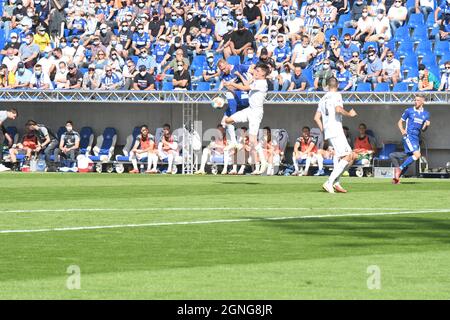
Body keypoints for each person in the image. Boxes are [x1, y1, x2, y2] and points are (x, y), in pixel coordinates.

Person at [223, 63, 270, 175]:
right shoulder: (256, 81)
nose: (255, 72)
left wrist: (231, 83)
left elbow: (244, 88)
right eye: (255, 70)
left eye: (257, 71)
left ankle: (263, 162)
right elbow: (246, 84)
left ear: (263, 73)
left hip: (256, 113)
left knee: (253, 141)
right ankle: (236, 144)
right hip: (249, 110)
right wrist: (239, 76)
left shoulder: (262, 83)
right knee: (227, 120)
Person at [314, 77, 358, 193]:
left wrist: (324, 130)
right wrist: (349, 114)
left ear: (327, 86)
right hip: (336, 129)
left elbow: (316, 118)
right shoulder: (337, 95)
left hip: (330, 130)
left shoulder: (322, 99)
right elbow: (338, 109)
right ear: (337, 85)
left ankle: (336, 182)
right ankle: (329, 182)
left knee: (351, 156)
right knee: (348, 156)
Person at [393, 95, 430, 184]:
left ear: (422, 102)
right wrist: (403, 131)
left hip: (416, 138)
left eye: (418, 100)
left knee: (411, 158)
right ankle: (399, 169)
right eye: (415, 100)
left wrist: (426, 126)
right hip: (409, 136)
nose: (415, 102)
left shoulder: (426, 114)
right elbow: (399, 122)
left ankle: (396, 178)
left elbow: (423, 130)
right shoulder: (409, 111)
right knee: (417, 155)